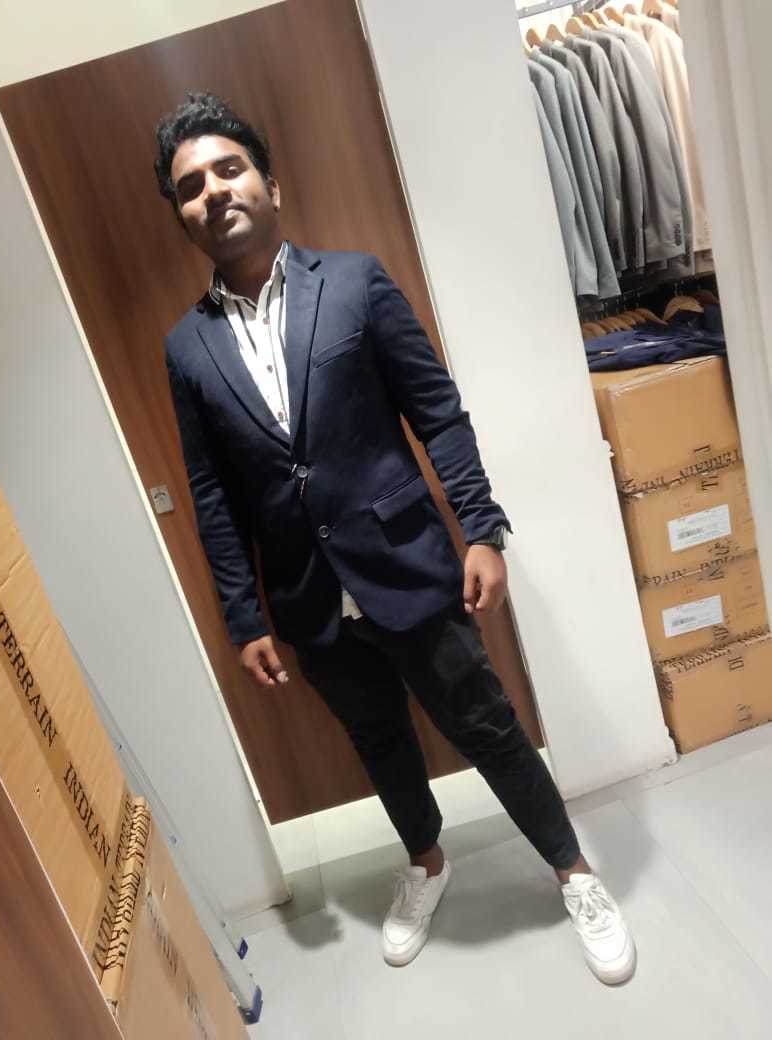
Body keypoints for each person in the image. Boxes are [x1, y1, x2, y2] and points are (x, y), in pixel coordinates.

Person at [155, 92, 636, 984]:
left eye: (229, 169)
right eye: (191, 186)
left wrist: (481, 528)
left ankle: (573, 872)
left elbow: (436, 412)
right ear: (182, 215)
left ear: (270, 186)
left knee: (486, 724)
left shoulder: (355, 282)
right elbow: (212, 493)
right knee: (379, 740)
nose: (213, 191)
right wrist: (242, 615)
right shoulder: (188, 348)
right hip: (306, 595)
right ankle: (426, 862)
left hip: (407, 565)